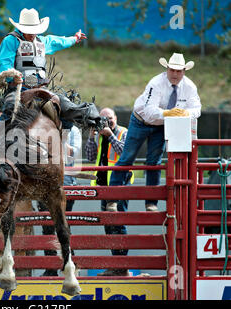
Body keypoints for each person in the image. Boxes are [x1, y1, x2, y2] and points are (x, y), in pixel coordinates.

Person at [106, 53, 202, 214]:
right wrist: (169, 114)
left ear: (184, 71)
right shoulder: (156, 83)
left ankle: (151, 202)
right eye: (172, 70)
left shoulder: (190, 87)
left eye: (179, 71)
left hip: (161, 124)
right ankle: (112, 199)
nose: (175, 74)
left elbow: (197, 109)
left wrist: (185, 114)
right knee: (127, 158)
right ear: (167, 69)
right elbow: (149, 111)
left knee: (154, 162)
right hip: (141, 121)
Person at [0, 8, 101, 128]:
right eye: (29, 31)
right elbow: (4, 65)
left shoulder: (42, 41)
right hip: (18, 90)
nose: (32, 34)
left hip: (41, 90)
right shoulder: (10, 41)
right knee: (9, 109)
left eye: (34, 31)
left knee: (67, 108)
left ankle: (68, 138)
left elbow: (59, 41)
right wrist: (13, 76)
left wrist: (75, 39)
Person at [85, 107, 133, 276]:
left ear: (116, 118)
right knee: (108, 226)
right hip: (104, 187)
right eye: (103, 119)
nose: (107, 122)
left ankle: (123, 266)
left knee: (119, 224)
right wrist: (92, 136)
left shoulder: (124, 133)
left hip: (120, 186)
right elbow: (90, 157)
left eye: (110, 118)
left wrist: (110, 136)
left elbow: (124, 153)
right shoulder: (99, 134)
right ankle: (115, 265)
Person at [39, 121, 81, 276]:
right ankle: (52, 267)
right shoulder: (42, 127)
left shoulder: (73, 130)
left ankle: (69, 264)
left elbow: (73, 153)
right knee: (47, 227)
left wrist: (57, 141)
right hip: (45, 184)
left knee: (63, 225)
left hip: (66, 183)